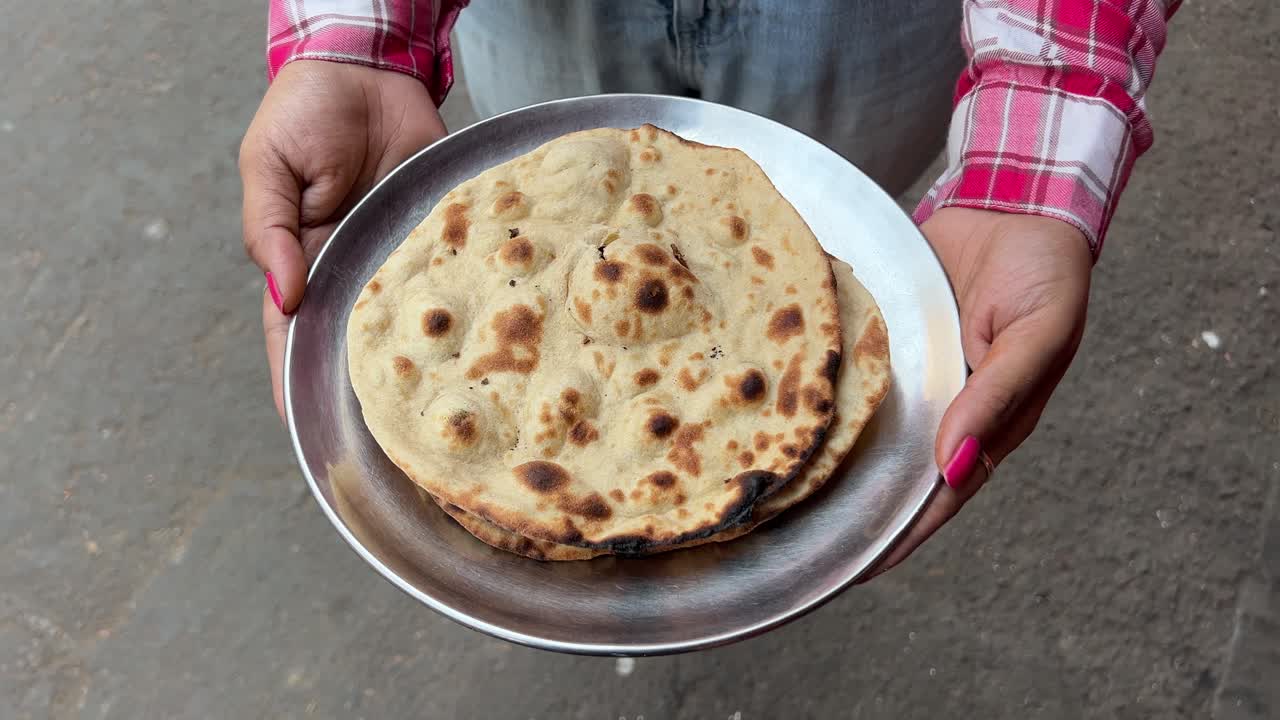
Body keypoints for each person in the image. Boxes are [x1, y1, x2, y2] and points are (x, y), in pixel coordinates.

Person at [240, 1, 1178, 575]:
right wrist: (360, 35)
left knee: (833, 202)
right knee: (553, 133)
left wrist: (1035, 132)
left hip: (853, 31)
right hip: (545, 27)